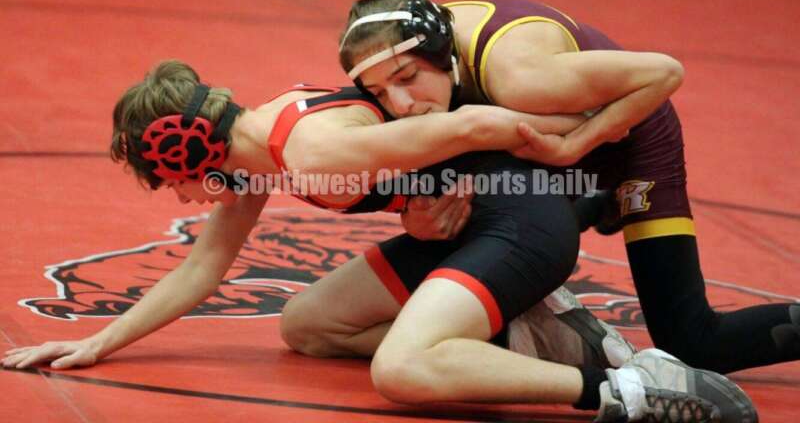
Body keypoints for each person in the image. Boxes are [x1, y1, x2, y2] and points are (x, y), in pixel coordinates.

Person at [1, 62, 755, 422]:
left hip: (518, 215)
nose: (178, 197)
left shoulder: (310, 150)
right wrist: (100, 343)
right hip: (472, 215)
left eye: (169, 182)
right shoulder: (257, 148)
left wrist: (581, 148)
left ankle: (629, 392)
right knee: (308, 323)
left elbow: (469, 128)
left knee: (402, 370)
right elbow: (204, 264)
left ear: (189, 153)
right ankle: (545, 333)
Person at [336, 0, 799, 377]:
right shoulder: (399, 36)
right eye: (379, 92)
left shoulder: (521, 78)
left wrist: (575, 145)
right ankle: (591, 204)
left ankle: (600, 195)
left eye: (408, 79)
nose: (399, 103)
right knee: (486, 200)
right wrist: (414, 217)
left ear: (441, 56)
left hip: (629, 134)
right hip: (531, 134)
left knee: (694, 342)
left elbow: (664, 72)